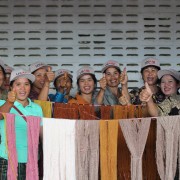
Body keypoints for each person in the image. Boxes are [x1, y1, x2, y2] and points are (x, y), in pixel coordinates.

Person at [0, 68, 43, 179]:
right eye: (18, 84)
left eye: (26, 84)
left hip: (31, 162)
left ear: (30, 87)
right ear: (11, 87)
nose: (22, 88)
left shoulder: (37, 108)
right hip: (8, 161)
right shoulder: (3, 104)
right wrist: (10, 102)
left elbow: (42, 134)